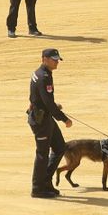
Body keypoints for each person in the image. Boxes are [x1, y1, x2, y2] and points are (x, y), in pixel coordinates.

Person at [27, 47, 72, 199]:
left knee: (60, 147)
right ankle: (37, 188)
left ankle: (46, 181)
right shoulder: (44, 76)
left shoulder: (40, 73)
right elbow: (48, 102)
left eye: (57, 59)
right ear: (44, 59)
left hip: (45, 117)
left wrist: (52, 106)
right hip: (41, 121)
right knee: (42, 154)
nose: (57, 62)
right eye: (54, 60)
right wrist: (64, 118)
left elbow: (43, 98)